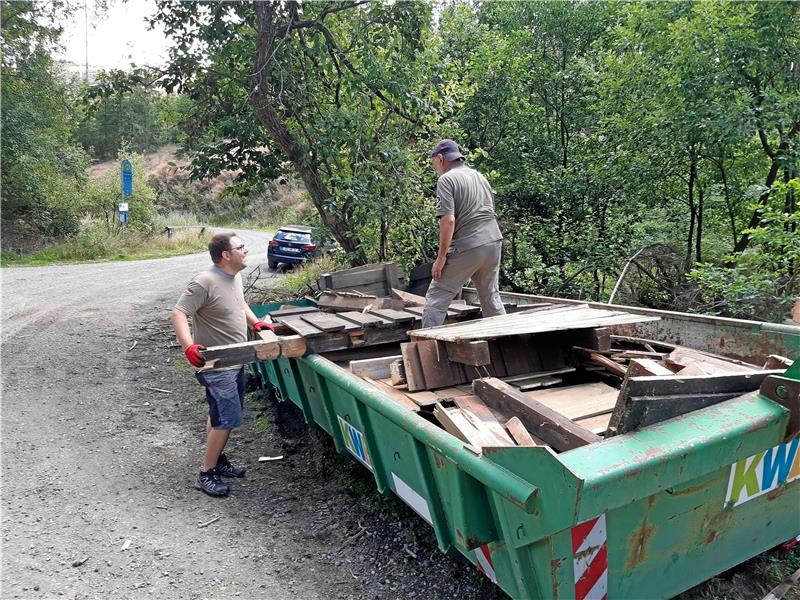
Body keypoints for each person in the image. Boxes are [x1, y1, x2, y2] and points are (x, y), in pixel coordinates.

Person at [171, 232, 275, 497]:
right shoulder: (205, 281)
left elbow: (239, 305)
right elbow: (179, 312)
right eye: (240, 247)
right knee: (226, 419)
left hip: (235, 359)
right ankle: (206, 473)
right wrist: (188, 346)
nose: (245, 251)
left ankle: (216, 461)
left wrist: (255, 322)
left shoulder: (234, 276)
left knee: (219, 413)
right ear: (226, 255)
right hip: (217, 364)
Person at [422, 139, 506, 328]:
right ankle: (507, 344)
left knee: (437, 297)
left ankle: (427, 350)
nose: (435, 167)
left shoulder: (446, 179)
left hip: (468, 245)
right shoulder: (479, 176)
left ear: (441, 158)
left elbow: (448, 220)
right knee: (490, 296)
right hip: (493, 242)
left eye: (434, 162)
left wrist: (441, 257)